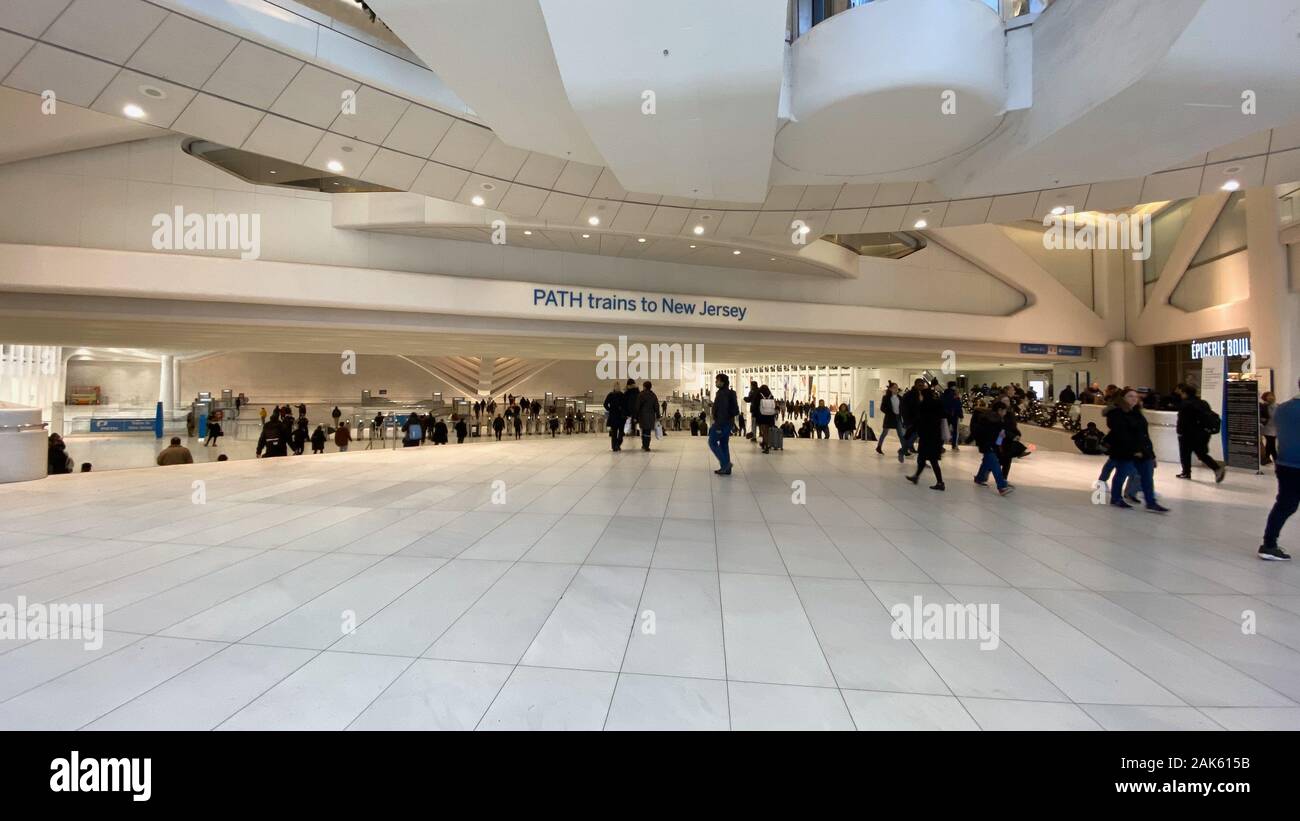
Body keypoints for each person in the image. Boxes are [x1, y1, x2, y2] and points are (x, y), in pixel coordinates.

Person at [1105, 387, 1169, 512]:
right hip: (1125, 451)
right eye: (1130, 396)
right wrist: (1134, 450)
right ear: (1122, 398)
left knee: (1146, 477)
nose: (1134, 399)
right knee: (1122, 474)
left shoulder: (1137, 413)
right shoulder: (1116, 413)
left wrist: (1151, 453)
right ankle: (1116, 498)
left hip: (1143, 451)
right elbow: (1121, 434)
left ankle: (1150, 502)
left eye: (1135, 396)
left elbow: (1144, 434)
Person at [1260, 379, 1300, 560]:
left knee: (1284, 505)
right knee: (1286, 505)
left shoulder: (1282, 408)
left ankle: (1269, 544)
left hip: (1285, 465)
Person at [1175, 384, 1226, 483]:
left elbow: (1182, 421)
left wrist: (1179, 432)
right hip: (1204, 433)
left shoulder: (1185, 404)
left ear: (1185, 393)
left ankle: (1186, 472)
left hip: (1188, 434)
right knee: (1201, 453)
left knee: (1185, 453)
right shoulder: (1203, 403)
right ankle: (1216, 468)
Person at [905, 385, 946, 491]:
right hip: (936, 437)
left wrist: (908, 434)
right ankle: (916, 477)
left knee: (931, 460)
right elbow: (944, 417)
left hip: (926, 437)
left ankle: (940, 482)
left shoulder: (923, 406)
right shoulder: (938, 404)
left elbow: (918, 421)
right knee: (924, 459)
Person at [971, 404, 1014, 496]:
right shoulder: (998, 421)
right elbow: (1000, 435)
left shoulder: (986, 418)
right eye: (1004, 411)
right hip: (989, 445)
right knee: (995, 464)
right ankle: (1002, 486)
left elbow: (979, 432)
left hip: (985, 445)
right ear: (1000, 410)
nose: (1005, 413)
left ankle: (980, 478)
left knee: (987, 462)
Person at [709, 373, 739, 475]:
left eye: (717, 381)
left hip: (721, 423)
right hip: (728, 423)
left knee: (712, 442)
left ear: (722, 382)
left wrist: (718, 426)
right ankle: (726, 469)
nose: (716, 382)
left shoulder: (721, 394)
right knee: (724, 445)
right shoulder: (730, 393)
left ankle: (726, 464)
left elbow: (722, 410)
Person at [897, 379, 926, 462]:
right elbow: (903, 409)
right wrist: (907, 421)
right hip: (912, 421)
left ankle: (921, 460)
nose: (922, 387)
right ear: (916, 385)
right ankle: (902, 451)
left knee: (921, 441)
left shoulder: (923, 394)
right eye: (920, 385)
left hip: (921, 421)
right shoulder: (909, 395)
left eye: (923, 385)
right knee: (910, 438)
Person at [635, 381, 660, 451]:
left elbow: (637, 406)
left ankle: (644, 445)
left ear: (644, 387)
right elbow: (656, 406)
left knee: (643, 430)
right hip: (651, 416)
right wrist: (658, 415)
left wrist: (635, 416)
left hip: (642, 416)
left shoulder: (641, 395)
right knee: (648, 431)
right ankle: (647, 445)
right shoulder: (653, 395)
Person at [876, 384, 900, 454]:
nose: (896, 389)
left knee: (901, 434)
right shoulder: (886, 397)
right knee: (884, 432)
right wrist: (889, 412)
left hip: (897, 417)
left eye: (897, 388)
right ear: (890, 389)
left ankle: (904, 449)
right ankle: (879, 447)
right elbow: (882, 408)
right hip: (889, 418)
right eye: (894, 388)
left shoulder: (899, 397)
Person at [942, 382, 964, 451]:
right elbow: (958, 405)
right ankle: (954, 446)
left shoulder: (944, 394)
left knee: (944, 430)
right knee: (955, 431)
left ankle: (940, 445)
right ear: (953, 386)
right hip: (954, 415)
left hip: (946, 415)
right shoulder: (955, 394)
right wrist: (960, 414)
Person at [757, 385, 777, 453]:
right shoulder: (771, 395)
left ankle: (766, 446)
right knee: (767, 432)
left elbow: (757, 404)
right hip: (770, 415)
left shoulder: (760, 395)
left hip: (763, 415)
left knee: (764, 431)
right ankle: (766, 444)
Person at [1261, 391, 1279, 466]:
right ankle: (1276, 460)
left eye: (1272, 395)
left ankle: (1266, 458)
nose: (1271, 397)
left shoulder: (1277, 406)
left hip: (1274, 427)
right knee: (1271, 443)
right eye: (1269, 396)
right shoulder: (1264, 407)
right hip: (1267, 428)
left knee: (1270, 443)